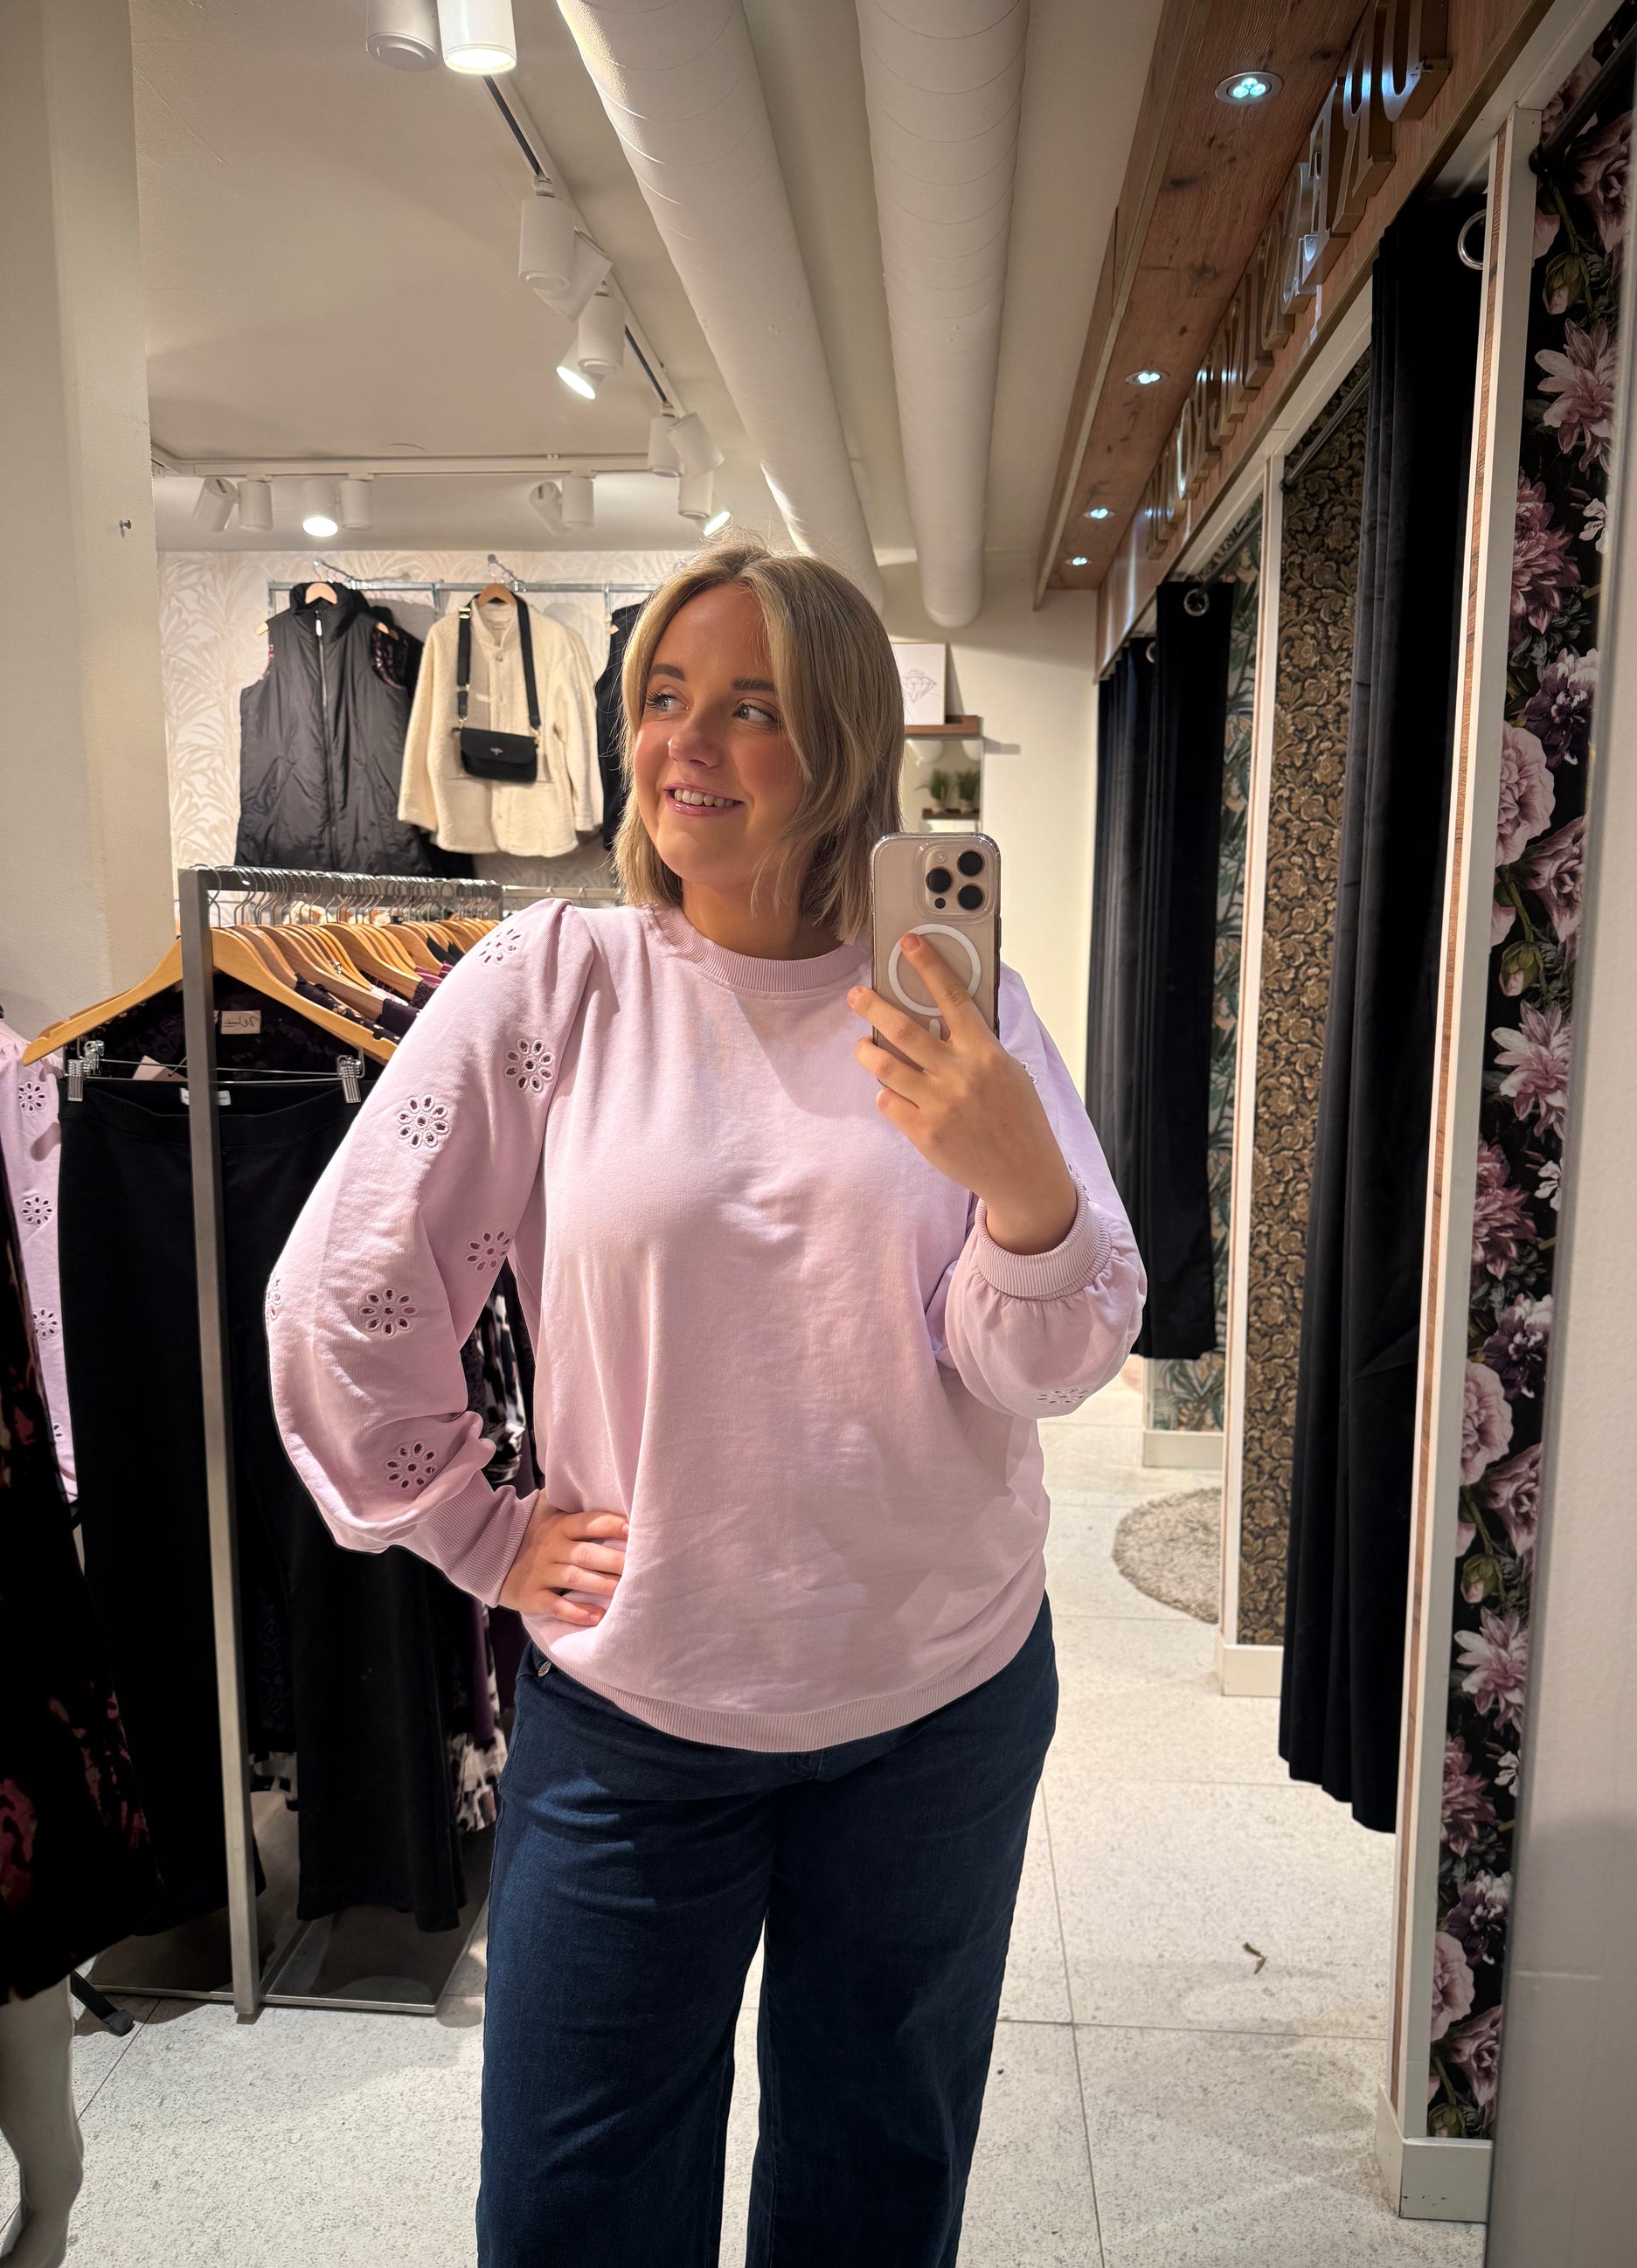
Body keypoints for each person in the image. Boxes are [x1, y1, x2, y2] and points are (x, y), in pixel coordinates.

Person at [268, 538, 1144, 2267]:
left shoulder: (951, 1008)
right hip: (638, 1707)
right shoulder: (556, 981)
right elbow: (347, 1284)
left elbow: (1040, 1358)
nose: (687, 741)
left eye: (751, 706)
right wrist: (474, 1525)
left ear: (841, 744)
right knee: (575, 2201)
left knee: (874, 2175)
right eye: (663, 695)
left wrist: (1020, 1182)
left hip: (938, 1699)